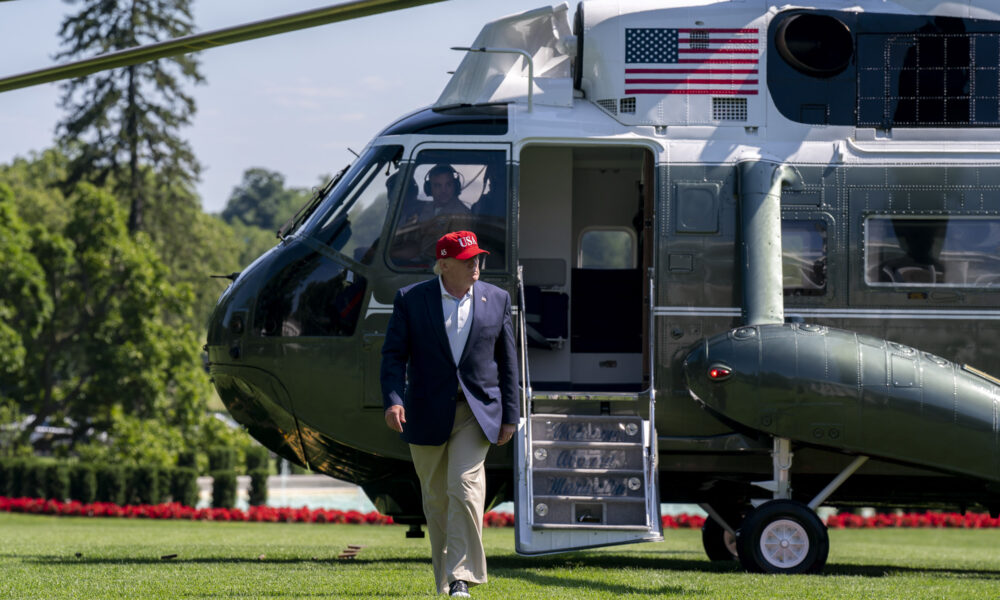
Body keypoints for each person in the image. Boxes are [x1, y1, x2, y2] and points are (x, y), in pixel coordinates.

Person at [381, 230, 519, 597]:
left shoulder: (497, 299)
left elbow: (508, 361)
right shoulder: (411, 300)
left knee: (464, 486)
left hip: (477, 413)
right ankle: (445, 581)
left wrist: (511, 414)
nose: (476, 264)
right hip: (425, 413)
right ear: (443, 264)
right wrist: (394, 399)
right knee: (437, 498)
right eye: (467, 259)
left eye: (478, 258)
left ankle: (461, 576)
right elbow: (393, 355)